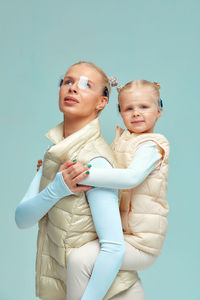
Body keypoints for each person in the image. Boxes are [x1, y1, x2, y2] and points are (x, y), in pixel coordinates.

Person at [15, 61, 140, 300]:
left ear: (101, 103)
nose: (72, 88)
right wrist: (56, 189)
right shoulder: (56, 153)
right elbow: (22, 219)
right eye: (67, 81)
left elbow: (113, 248)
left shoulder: (94, 160)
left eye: (85, 85)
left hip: (109, 293)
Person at [51, 79, 170, 300]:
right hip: (123, 235)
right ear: (120, 112)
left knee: (81, 260)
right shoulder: (122, 142)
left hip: (142, 242)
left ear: (159, 110)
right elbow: (98, 160)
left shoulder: (153, 144)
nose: (136, 113)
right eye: (128, 108)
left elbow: (131, 178)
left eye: (144, 107)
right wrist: (52, 170)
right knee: (120, 282)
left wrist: (81, 175)